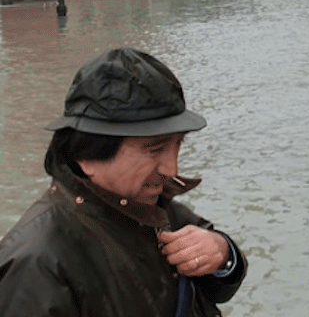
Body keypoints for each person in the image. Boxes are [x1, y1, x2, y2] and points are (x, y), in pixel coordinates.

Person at [0, 48, 247, 316]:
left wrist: (222, 252)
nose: (172, 168)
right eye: (155, 149)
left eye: (179, 143)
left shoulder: (156, 206)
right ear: (88, 155)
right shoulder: (36, 262)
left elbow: (218, 286)